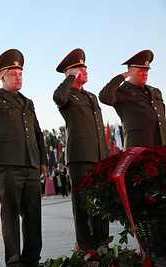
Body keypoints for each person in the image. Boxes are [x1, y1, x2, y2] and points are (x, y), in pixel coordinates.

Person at [0, 49, 48, 266]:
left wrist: (42, 161)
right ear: (3, 77)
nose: (19, 77)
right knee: (10, 215)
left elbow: (38, 132)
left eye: (21, 73)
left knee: (33, 216)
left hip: (31, 164)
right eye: (13, 73)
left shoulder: (28, 102)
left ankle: (32, 259)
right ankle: (14, 261)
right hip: (8, 165)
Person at [53, 48, 109, 250]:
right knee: (83, 204)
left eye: (85, 69)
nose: (85, 72)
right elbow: (59, 97)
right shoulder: (67, 95)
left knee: (102, 202)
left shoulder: (91, 96)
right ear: (71, 73)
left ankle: (102, 244)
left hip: (100, 157)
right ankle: (86, 248)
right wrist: (70, 78)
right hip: (80, 158)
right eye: (80, 69)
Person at [99, 49, 166, 148]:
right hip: (138, 145)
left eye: (146, 70)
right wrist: (122, 76)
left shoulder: (155, 91)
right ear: (131, 72)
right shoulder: (121, 92)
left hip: (161, 143)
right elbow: (104, 97)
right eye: (141, 71)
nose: (145, 74)